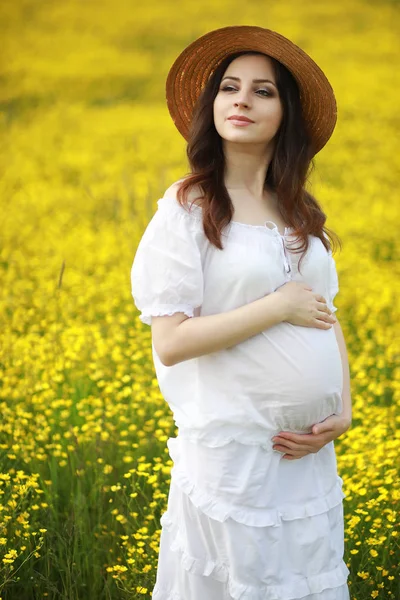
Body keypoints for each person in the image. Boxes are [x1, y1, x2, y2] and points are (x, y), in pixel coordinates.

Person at [131, 25, 352, 600]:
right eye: (230, 88)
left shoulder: (300, 211)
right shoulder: (190, 208)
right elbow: (171, 342)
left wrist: (344, 410)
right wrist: (275, 306)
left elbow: (325, 314)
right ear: (213, 106)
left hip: (306, 462)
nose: (242, 101)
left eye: (263, 91)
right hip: (235, 462)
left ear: (287, 114)